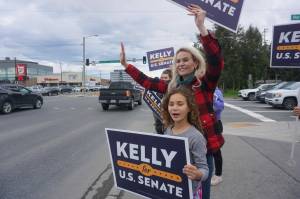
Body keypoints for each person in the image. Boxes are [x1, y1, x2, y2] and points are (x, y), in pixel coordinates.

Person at [120, 4, 224, 199]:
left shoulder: (205, 83)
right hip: (177, 149)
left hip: (203, 148)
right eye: (177, 61)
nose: (181, 64)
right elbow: (147, 82)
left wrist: (202, 29)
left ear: (195, 62)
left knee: (201, 193)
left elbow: (217, 61)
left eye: (185, 60)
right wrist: (127, 65)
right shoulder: (172, 86)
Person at [161, 86, 208, 199]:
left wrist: (197, 174)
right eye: (171, 104)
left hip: (189, 193)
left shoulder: (196, 137)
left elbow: (204, 169)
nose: (174, 108)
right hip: (169, 189)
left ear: (189, 108)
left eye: (180, 104)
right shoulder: (167, 129)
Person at [211, 87, 224, 186]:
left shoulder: (216, 91)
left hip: (215, 123)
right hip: (201, 123)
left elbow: (220, 107)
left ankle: (218, 175)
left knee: (216, 150)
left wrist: (212, 99)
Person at [153, 69, 172, 134]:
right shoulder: (158, 92)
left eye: (165, 78)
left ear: (171, 79)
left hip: (171, 127)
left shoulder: (173, 91)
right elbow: (155, 110)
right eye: (162, 78)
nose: (163, 80)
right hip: (159, 126)